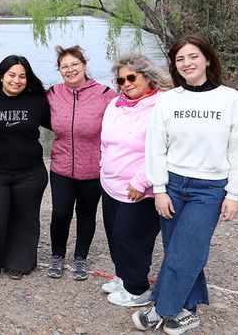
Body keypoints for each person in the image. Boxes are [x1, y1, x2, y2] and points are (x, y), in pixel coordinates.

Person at [132, 34, 238, 334]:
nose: (187, 63)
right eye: (180, 59)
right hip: (173, 185)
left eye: (193, 56)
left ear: (207, 59)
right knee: (177, 249)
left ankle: (163, 308)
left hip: (211, 189)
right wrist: (159, 189)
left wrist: (235, 193)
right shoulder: (170, 100)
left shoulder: (229, 98)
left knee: (187, 250)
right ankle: (188, 309)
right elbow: (155, 147)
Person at [0, 55, 51, 283]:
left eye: (22, 76)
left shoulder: (37, 100)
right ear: (2, 76)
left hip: (30, 173)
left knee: (25, 219)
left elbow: (61, 125)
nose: (17, 80)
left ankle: (19, 263)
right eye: (12, 75)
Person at [99, 53, 172, 307]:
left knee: (131, 238)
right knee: (114, 235)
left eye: (132, 77)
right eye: (121, 80)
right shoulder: (115, 105)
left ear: (147, 76)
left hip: (140, 190)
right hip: (110, 184)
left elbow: (163, 149)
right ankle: (123, 276)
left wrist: (142, 181)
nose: (126, 84)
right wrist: (102, 166)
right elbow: (105, 141)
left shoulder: (162, 104)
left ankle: (137, 289)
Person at [46, 45, 117, 281]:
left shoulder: (105, 94)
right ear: (59, 70)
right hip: (61, 167)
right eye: (64, 66)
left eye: (74, 64)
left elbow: (127, 116)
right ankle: (57, 255)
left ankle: (80, 258)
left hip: (92, 169)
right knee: (60, 213)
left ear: (84, 65)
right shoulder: (53, 93)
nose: (70, 70)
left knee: (86, 215)